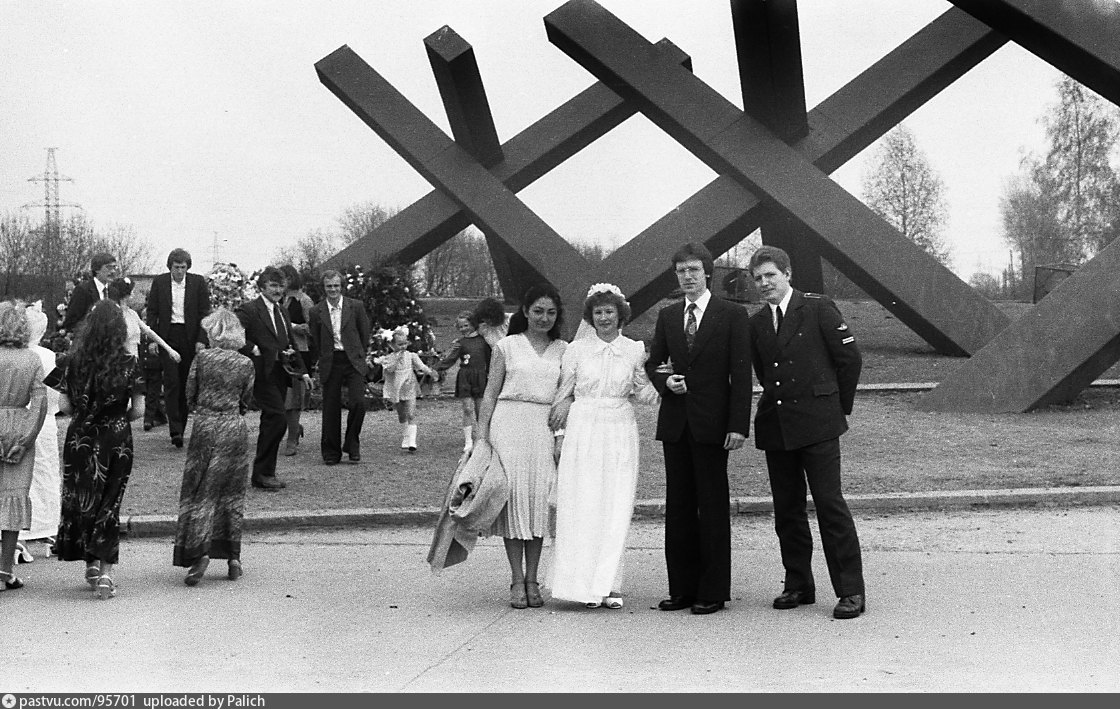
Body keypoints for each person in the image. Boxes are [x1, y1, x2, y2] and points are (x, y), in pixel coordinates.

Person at [747, 245, 866, 620]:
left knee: (830, 506)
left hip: (819, 425)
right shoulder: (757, 323)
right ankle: (798, 584)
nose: (765, 283)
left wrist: (835, 406)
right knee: (787, 510)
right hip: (778, 427)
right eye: (758, 278)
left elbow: (849, 360)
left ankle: (850, 590)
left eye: (771, 275)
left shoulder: (817, 308)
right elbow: (766, 373)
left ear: (787, 274)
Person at [644, 242, 751, 616]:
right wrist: (665, 382)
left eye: (693, 270)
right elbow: (654, 363)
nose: (687, 277)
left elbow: (741, 374)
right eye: (681, 271)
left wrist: (738, 425)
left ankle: (713, 590)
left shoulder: (732, 314)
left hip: (713, 425)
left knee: (712, 505)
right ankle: (682, 589)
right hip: (676, 424)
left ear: (707, 272)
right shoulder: (669, 315)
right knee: (679, 507)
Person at [547, 283, 658, 609]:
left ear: (620, 314)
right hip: (583, 428)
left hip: (619, 429)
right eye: (598, 312)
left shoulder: (634, 350)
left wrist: (667, 383)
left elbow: (642, 391)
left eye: (609, 311)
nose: (604, 317)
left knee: (615, 506)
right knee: (582, 504)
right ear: (590, 316)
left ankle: (609, 584)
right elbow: (563, 395)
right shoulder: (576, 350)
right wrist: (560, 435)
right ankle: (580, 586)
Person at [475, 284, 566, 610]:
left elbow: (567, 392)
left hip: (543, 429)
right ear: (525, 311)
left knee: (538, 501)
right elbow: (490, 393)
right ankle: (516, 579)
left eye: (551, 312)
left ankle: (533, 579)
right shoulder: (506, 346)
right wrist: (481, 437)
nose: (544, 318)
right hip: (508, 426)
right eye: (538, 311)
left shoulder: (563, 349)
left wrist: (563, 425)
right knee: (514, 502)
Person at [54, 300, 144, 600]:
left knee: (84, 499)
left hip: (80, 437)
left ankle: (90, 565)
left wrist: (87, 411)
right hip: (116, 438)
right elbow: (139, 411)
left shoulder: (71, 362)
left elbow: (65, 406)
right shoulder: (130, 362)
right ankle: (106, 572)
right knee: (109, 502)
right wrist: (117, 415)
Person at [173, 308, 256, 586]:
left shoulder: (203, 358)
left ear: (214, 333)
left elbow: (190, 393)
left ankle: (200, 552)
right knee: (232, 493)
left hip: (206, 427)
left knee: (201, 490)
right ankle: (233, 557)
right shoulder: (246, 363)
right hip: (234, 428)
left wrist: (202, 407)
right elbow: (246, 399)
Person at [236, 266, 304, 491]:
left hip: (280, 373)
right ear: (262, 287)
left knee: (271, 421)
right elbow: (232, 333)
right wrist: (252, 348)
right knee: (278, 418)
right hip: (260, 373)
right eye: (273, 285)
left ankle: (264, 473)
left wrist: (303, 371)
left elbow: (290, 342)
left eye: (281, 286)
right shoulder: (249, 309)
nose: (278, 290)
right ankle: (263, 472)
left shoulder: (282, 310)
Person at [0, 300, 49, 592]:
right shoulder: (32, 360)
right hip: (19, 424)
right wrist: (25, 440)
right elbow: (40, 405)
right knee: (13, 499)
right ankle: (4, 570)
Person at [145, 248, 213, 449]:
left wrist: (202, 339)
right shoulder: (160, 282)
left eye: (183, 267)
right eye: (176, 267)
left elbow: (205, 313)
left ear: (187, 267)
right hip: (167, 336)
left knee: (186, 383)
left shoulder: (197, 283)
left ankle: (181, 427)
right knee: (171, 382)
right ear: (170, 267)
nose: (180, 271)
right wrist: (153, 340)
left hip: (190, 336)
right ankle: (175, 430)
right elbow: (152, 312)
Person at [307, 270, 371, 464]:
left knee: (358, 403)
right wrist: (323, 357)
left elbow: (364, 333)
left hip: (352, 360)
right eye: (329, 286)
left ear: (341, 286)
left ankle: (352, 444)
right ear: (324, 288)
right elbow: (315, 338)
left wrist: (358, 353)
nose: (333, 289)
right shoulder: (316, 311)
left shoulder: (356, 306)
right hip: (331, 360)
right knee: (331, 407)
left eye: (336, 285)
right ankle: (331, 452)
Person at [18, 303, 61, 554]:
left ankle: (20, 532)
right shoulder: (47, 357)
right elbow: (56, 392)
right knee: (45, 473)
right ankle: (47, 529)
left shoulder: (12, 355)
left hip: (19, 418)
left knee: (21, 477)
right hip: (44, 420)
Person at [434, 309, 491, 454]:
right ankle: (468, 441)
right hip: (465, 377)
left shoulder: (484, 341)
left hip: (480, 377)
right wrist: (435, 368)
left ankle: (482, 438)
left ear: (473, 324)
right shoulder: (460, 343)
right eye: (460, 327)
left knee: (480, 410)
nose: (463, 329)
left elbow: (491, 360)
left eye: (466, 325)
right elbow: (451, 359)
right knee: (467, 408)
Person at [374, 326, 437, 453]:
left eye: (405, 343)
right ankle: (406, 436)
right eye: (399, 344)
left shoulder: (411, 356)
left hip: (409, 386)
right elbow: (389, 369)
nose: (403, 347)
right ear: (392, 345)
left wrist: (431, 372)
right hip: (397, 388)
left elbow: (421, 366)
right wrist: (396, 358)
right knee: (401, 414)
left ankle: (412, 441)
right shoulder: (389, 358)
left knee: (411, 414)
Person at [279, 265, 316, 456]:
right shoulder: (280, 299)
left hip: (300, 352)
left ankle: (292, 437)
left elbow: (313, 328)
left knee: (293, 398)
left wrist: (292, 326)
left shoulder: (304, 300)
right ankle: (295, 427)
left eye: (284, 278)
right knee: (282, 398)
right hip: (281, 351)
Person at [107, 278, 181, 363]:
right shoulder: (114, 315)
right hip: (120, 361)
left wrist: (169, 350)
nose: (134, 294)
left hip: (134, 360)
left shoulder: (132, 314)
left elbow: (149, 332)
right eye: (132, 291)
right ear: (126, 295)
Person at [60, 252, 118, 334]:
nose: (113, 271)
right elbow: (71, 322)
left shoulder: (114, 293)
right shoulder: (83, 290)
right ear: (97, 269)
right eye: (109, 267)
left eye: (114, 267)